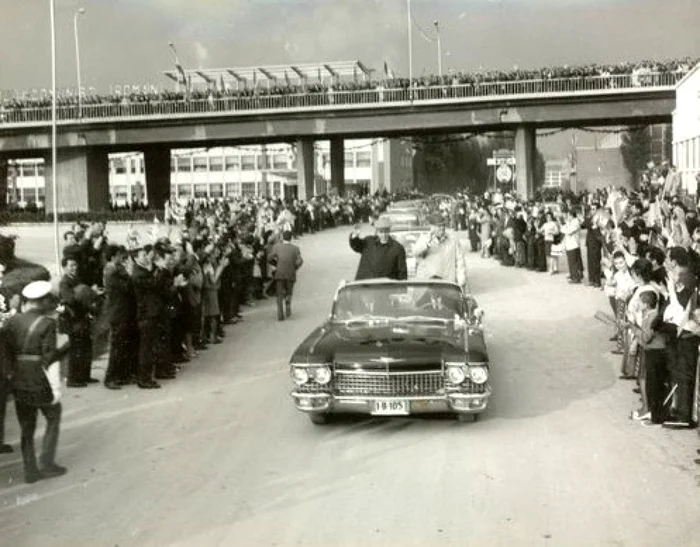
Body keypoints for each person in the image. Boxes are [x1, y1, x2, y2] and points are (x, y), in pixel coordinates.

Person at [5, 281, 69, 483]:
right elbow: (48, 357)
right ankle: (47, 463)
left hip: (18, 378)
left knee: (26, 426)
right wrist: (66, 347)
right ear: (41, 301)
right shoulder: (47, 323)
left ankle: (30, 470)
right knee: (53, 415)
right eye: (48, 300)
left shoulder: (12, 321)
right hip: (38, 379)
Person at [349, 217, 407, 281]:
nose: (384, 235)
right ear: (377, 232)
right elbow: (356, 246)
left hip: (385, 287)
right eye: (381, 232)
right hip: (364, 285)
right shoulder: (368, 241)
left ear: (389, 231)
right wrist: (354, 236)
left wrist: (401, 287)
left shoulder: (397, 248)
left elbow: (402, 272)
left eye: (386, 232)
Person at [268, 230, 304, 321]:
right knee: (289, 291)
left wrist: (276, 264)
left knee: (279, 294)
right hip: (290, 273)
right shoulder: (295, 248)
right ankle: (288, 306)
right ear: (291, 238)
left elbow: (269, 258)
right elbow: (300, 261)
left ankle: (280, 314)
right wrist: (295, 267)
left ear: (282, 238)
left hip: (279, 273)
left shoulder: (276, 247)